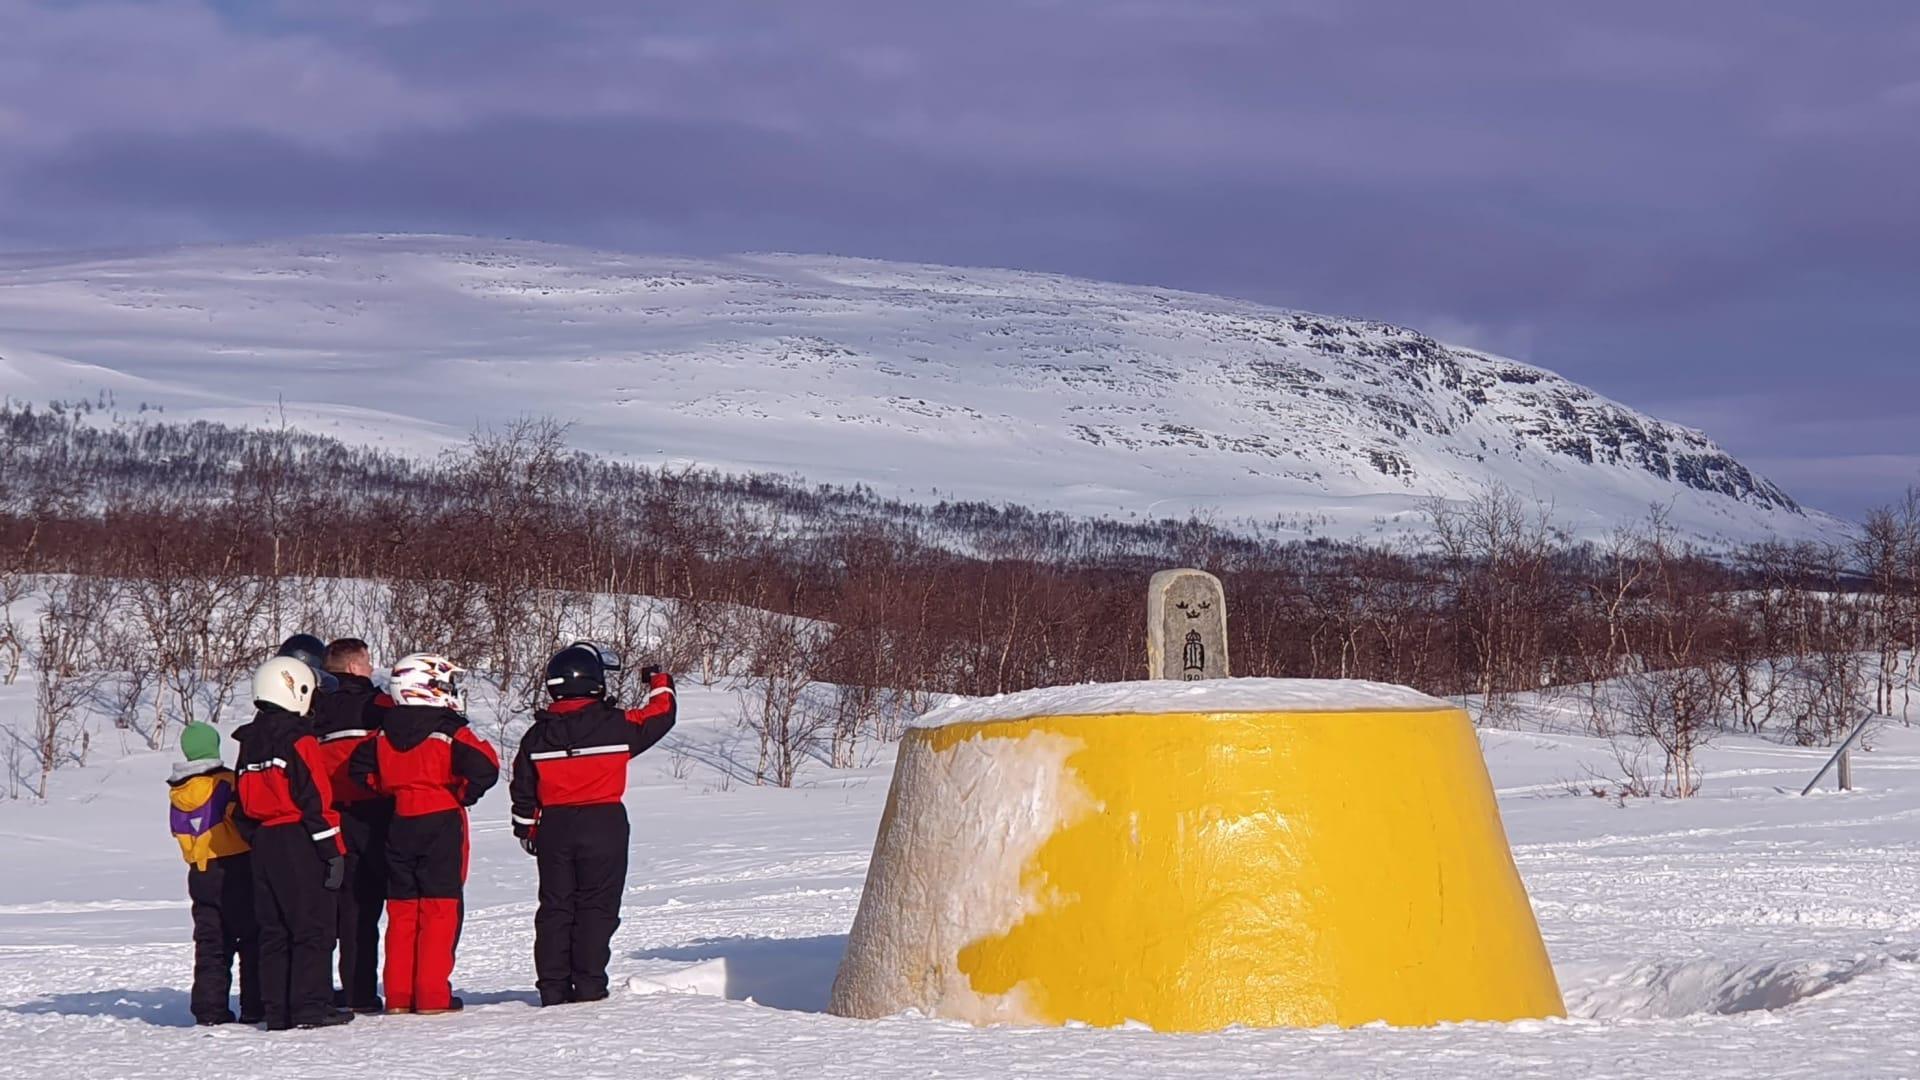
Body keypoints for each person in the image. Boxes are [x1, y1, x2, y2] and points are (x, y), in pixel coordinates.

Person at [510, 642, 675, 1007]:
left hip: (554, 826)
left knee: (555, 908)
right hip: (603, 823)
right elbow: (662, 714)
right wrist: (659, 680)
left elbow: (522, 787)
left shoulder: (536, 736)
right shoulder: (616, 725)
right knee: (596, 907)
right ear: (595, 682)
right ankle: (588, 985)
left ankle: (552, 987)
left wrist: (527, 828)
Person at [348, 654, 499, 1015]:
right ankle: (432, 996)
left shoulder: (382, 733)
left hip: (400, 821)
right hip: (441, 819)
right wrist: (462, 793)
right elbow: (487, 766)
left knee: (402, 911)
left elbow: (359, 770)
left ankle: (399, 996)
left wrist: (388, 787)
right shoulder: (447, 729)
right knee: (439, 909)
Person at [232, 656, 353, 1031]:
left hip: (264, 841)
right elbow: (316, 798)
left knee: (273, 930)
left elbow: (239, 807)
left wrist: (259, 837)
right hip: (300, 838)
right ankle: (311, 1006)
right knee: (312, 928)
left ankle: (278, 1010)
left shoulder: (248, 742)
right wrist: (332, 850)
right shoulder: (300, 739)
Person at [309, 637, 390, 1013]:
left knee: (340, 907)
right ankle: (363, 990)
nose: (372, 668)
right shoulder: (376, 705)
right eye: (368, 662)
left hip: (329, 817)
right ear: (356, 667)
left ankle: (331, 985)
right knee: (369, 906)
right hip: (374, 812)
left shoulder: (316, 710)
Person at [168, 721, 262, 1026]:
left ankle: (210, 1010)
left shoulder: (178, 791)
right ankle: (255, 1005)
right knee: (251, 938)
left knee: (210, 943)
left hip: (199, 871)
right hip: (236, 867)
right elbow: (243, 820)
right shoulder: (227, 782)